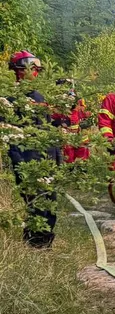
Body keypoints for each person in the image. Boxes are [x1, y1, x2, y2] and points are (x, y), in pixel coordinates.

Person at [6, 51, 61, 247]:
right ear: (18, 71)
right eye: (30, 69)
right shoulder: (11, 100)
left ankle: (44, 244)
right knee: (36, 204)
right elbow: (9, 134)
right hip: (27, 161)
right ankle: (35, 244)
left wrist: (57, 156)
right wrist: (19, 162)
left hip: (47, 160)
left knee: (50, 203)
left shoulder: (39, 96)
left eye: (36, 70)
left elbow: (47, 129)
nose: (34, 73)